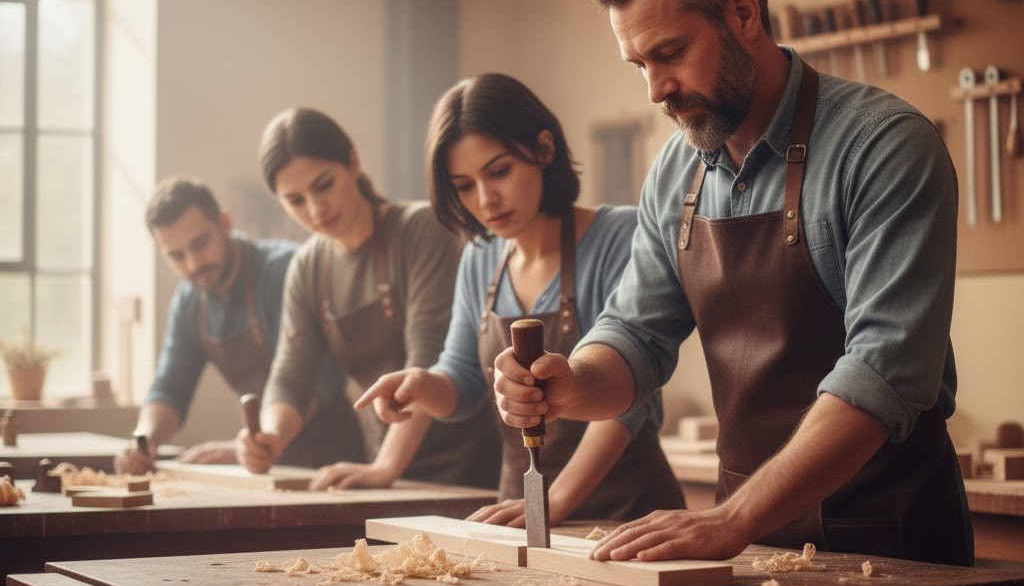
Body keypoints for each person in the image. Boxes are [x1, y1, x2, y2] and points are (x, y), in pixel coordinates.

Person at [492, 0, 973, 567]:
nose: (657, 89)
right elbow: (635, 335)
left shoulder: (885, 147)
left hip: (890, 542)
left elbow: (886, 371)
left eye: (670, 53)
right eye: (638, 63)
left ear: (743, 14)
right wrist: (571, 383)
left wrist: (731, 520)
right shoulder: (676, 168)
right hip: (748, 551)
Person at [356, 74, 684, 525]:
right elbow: (465, 383)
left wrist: (555, 501)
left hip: (627, 516)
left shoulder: (619, 237)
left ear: (545, 150)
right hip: (522, 506)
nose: (486, 199)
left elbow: (632, 397)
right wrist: (421, 385)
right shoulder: (479, 258)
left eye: (499, 171)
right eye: (464, 185)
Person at [236, 107, 501, 490]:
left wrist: (386, 466)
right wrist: (271, 438)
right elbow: (292, 376)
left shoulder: (421, 229)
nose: (315, 209)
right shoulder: (308, 267)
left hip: (467, 465)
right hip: (389, 465)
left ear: (353, 162)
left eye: (323, 185)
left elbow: (426, 359)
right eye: (295, 200)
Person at [116, 176, 365, 474]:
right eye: (176, 255)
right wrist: (143, 441)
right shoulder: (188, 303)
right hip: (262, 461)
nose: (193, 264)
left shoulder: (285, 270)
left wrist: (246, 448)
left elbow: (310, 380)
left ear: (224, 223)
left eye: (200, 244)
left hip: (330, 456)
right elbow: (170, 389)